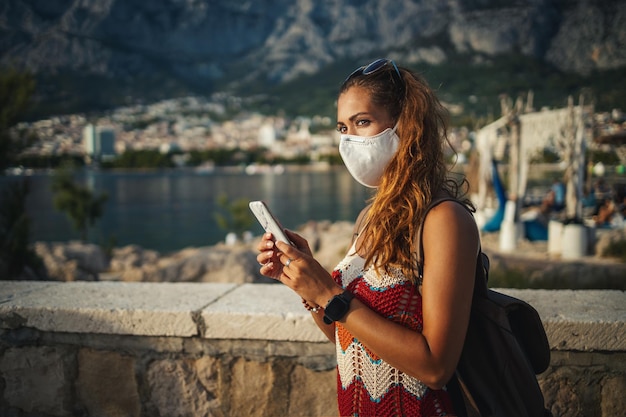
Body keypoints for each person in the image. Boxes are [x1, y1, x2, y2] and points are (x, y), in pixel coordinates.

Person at [256, 58, 480, 417]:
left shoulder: (443, 220)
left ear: (406, 124)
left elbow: (436, 367)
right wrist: (308, 284)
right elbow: (344, 334)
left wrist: (328, 293)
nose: (349, 139)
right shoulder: (368, 219)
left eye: (362, 122)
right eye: (342, 127)